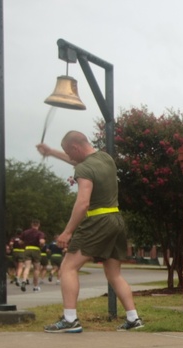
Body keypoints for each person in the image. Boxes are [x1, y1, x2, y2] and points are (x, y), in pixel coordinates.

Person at [36, 131, 143, 333]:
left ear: (75, 148)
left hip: (98, 221)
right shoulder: (105, 158)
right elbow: (77, 160)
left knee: (68, 267)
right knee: (114, 274)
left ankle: (70, 320)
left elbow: (83, 203)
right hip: (116, 220)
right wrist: (50, 152)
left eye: (70, 153)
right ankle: (133, 318)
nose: (71, 158)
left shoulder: (84, 169)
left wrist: (67, 232)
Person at [16, 219, 46, 292]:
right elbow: (41, 241)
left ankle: (24, 280)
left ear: (31, 224)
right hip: (36, 250)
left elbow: (20, 242)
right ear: (38, 225)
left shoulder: (25, 232)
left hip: (27, 249)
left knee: (27, 267)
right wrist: (42, 245)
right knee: (36, 269)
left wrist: (24, 244)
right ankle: (35, 286)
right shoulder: (40, 233)